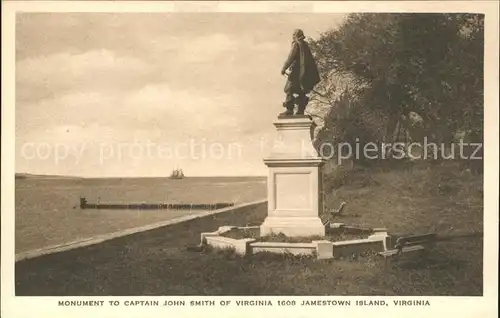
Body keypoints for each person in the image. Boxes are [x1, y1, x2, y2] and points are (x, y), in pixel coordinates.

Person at [280, 29, 321, 116]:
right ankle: (300, 110)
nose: (292, 36)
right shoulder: (305, 45)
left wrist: (284, 68)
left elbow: (290, 58)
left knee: (289, 89)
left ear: (296, 35)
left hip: (295, 72)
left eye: (293, 34)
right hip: (304, 73)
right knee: (301, 91)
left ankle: (289, 109)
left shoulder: (296, 44)